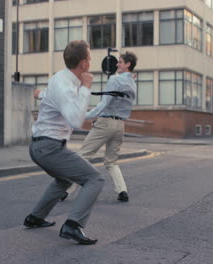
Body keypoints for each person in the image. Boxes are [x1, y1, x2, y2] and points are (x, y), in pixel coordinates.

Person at [23, 40, 105, 245]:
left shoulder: (62, 79)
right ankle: (73, 225)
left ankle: (35, 218)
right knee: (95, 179)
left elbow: (63, 105)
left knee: (63, 180)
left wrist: (98, 110)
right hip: (48, 147)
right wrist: (86, 86)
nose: (91, 62)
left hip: (43, 146)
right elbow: (75, 120)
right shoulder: (66, 83)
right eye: (90, 58)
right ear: (85, 63)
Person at [61, 52, 137, 203]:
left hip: (106, 123)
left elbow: (104, 104)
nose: (117, 64)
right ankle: (122, 190)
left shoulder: (115, 80)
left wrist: (84, 115)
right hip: (120, 125)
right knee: (111, 161)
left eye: (120, 62)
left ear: (128, 64)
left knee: (83, 155)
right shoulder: (132, 83)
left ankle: (66, 191)